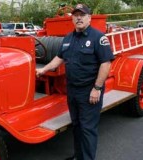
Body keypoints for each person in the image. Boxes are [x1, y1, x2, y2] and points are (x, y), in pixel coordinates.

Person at [36, 4, 114, 160]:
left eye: (82, 15)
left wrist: (97, 88)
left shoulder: (98, 38)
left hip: (89, 90)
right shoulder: (68, 38)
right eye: (76, 15)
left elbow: (106, 63)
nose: (78, 18)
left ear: (89, 18)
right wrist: (43, 70)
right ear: (72, 18)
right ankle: (78, 156)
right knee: (77, 126)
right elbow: (59, 58)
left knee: (87, 129)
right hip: (72, 90)